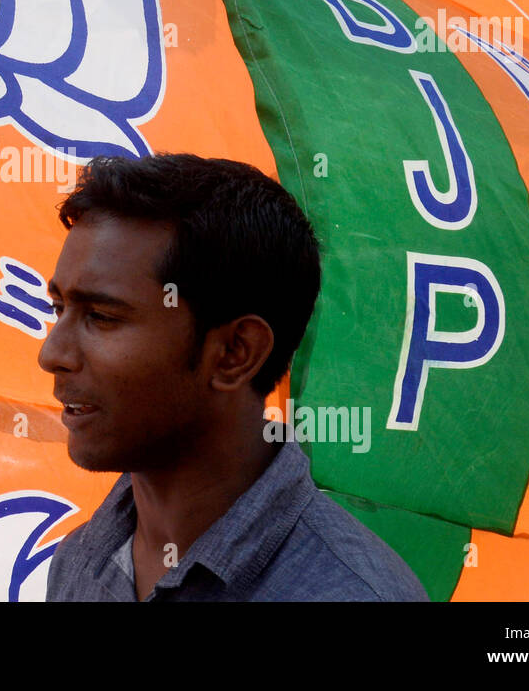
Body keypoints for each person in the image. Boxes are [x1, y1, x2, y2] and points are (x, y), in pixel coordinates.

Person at [39, 153, 428, 601]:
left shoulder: (352, 594)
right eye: (59, 308)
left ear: (235, 353)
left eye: (102, 316)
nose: (51, 354)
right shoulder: (78, 562)